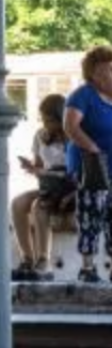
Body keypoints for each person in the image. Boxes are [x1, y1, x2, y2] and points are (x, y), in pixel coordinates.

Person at [62, 47, 112, 284]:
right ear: (94, 73)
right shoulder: (83, 95)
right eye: (109, 68)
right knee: (91, 214)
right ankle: (88, 268)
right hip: (91, 167)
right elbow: (70, 127)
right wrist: (92, 148)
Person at [12, 92, 72, 281]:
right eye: (43, 119)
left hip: (70, 188)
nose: (45, 124)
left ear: (60, 118)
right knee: (17, 203)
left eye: (49, 120)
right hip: (48, 186)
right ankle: (27, 259)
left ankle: (43, 263)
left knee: (39, 205)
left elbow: (78, 171)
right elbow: (39, 165)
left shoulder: (74, 136)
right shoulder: (40, 135)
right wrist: (31, 168)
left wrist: (47, 174)